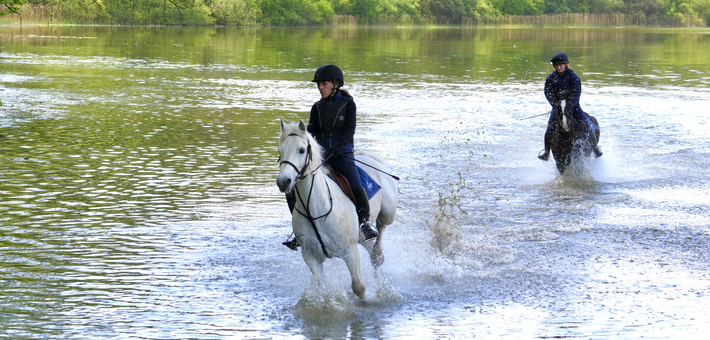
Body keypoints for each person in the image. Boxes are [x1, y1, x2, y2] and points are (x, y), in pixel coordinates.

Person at [282, 64, 379, 250]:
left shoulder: (348, 104)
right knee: (292, 189)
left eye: (324, 84)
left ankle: (365, 224)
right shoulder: (316, 107)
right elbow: (310, 133)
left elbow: (350, 129)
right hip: (321, 157)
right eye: (318, 84)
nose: (320, 87)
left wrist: (339, 146)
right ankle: (299, 231)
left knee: (357, 186)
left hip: (343, 155)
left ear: (336, 84)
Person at [538, 52, 603, 161]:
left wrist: (570, 105)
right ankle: (546, 152)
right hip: (558, 107)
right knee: (549, 127)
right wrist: (555, 105)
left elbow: (576, 93)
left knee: (587, 122)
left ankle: (595, 148)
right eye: (557, 65)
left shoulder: (573, 76)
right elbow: (547, 92)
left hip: (574, 106)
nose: (559, 67)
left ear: (566, 64)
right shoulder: (551, 77)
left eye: (561, 65)